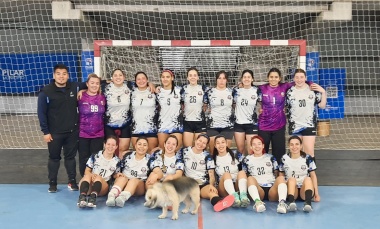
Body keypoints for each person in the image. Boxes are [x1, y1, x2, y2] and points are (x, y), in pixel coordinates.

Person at [37, 63, 85, 192]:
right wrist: (45, 132)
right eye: (58, 74)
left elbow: (92, 83)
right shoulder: (46, 92)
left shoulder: (74, 87)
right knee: (54, 158)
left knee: (70, 158)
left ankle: (72, 182)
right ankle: (52, 184)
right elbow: (41, 113)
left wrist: (83, 90)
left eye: (64, 74)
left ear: (68, 75)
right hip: (54, 133)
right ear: (54, 75)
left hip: (72, 132)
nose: (61, 76)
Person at [176, 134, 235, 212]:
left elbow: (211, 174)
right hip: (189, 183)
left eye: (204, 143)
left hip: (202, 184)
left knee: (211, 192)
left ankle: (219, 203)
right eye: (200, 141)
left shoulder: (207, 156)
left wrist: (211, 185)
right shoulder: (184, 151)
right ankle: (168, 203)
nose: (201, 144)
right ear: (195, 140)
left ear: (206, 146)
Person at [105, 137, 160, 207]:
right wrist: (117, 175)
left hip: (139, 185)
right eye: (139, 144)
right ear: (135, 146)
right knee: (122, 178)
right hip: (124, 183)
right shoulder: (127, 156)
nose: (142, 147)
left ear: (147, 147)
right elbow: (115, 173)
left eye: (144, 145)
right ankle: (111, 196)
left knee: (133, 180)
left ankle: (122, 198)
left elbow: (159, 172)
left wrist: (156, 176)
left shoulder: (150, 159)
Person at [286, 69, 327, 158]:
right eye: (297, 77)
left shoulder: (313, 90)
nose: (299, 79)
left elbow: (322, 106)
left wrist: (323, 92)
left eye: (301, 77)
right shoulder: (289, 92)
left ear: (305, 78)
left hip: (309, 125)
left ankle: (311, 172)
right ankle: (297, 172)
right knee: (296, 152)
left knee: (309, 153)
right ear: (294, 79)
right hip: (295, 126)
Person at [242, 136, 288, 214]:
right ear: (251, 147)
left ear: (263, 145)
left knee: (280, 178)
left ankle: (282, 203)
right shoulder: (247, 159)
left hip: (271, 189)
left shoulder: (271, 158)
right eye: (254, 144)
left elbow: (276, 173)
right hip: (259, 189)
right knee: (250, 178)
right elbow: (245, 175)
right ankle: (258, 203)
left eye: (259, 144)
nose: (257, 146)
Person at [279, 136, 320, 212]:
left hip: (304, 190)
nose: (294, 147)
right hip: (292, 190)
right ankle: (291, 202)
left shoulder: (308, 158)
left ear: (301, 146)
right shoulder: (284, 158)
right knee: (291, 179)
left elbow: (313, 176)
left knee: (308, 179)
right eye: (292, 144)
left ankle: (308, 203)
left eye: (297, 144)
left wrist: (317, 194)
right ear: (289, 146)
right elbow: (281, 176)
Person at [77, 136, 120, 208]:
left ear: (116, 147)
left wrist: (118, 175)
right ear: (104, 144)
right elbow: (87, 171)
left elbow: (114, 176)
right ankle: (82, 197)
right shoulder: (95, 156)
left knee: (98, 177)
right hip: (90, 183)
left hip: (103, 186)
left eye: (113, 145)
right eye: (108, 144)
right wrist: (91, 175)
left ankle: (92, 199)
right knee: (87, 176)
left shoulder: (117, 161)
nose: (110, 147)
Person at [77, 73, 106, 177]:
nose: (94, 85)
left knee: (96, 159)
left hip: (98, 134)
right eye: (92, 83)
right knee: (83, 158)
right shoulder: (80, 96)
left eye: (97, 83)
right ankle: (84, 179)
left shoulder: (103, 98)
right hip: (83, 134)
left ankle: (95, 179)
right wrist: (82, 90)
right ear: (87, 84)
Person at [212, 135, 250, 208]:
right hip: (223, 188)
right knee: (226, 174)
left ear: (226, 143)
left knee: (242, 172)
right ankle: (234, 197)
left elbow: (247, 167)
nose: (220, 145)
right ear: (215, 145)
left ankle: (243, 196)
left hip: (237, 185)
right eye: (218, 143)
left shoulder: (236, 154)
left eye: (223, 142)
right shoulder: (213, 159)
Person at [204, 70, 235, 154]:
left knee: (225, 152)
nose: (221, 80)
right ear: (216, 80)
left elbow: (236, 106)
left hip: (228, 125)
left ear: (227, 80)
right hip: (213, 125)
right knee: (213, 152)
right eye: (219, 78)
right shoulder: (210, 92)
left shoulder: (232, 92)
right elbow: (204, 106)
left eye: (224, 78)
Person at [130, 72, 159, 153]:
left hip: (151, 129)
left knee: (150, 154)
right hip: (136, 130)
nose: (141, 81)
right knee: (138, 154)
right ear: (135, 81)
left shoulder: (154, 91)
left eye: (143, 78)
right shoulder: (131, 92)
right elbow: (118, 82)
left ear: (147, 80)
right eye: (138, 79)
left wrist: (151, 84)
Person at [233, 70, 260, 154]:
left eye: (249, 77)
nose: (246, 79)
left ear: (252, 79)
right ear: (241, 79)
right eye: (244, 77)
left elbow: (262, 103)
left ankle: (251, 166)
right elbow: (232, 104)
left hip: (251, 124)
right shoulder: (236, 91)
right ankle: (242, 167)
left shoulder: (256, 91)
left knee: (251, 150)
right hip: (238, 123)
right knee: (240, 150)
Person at [181, 67, 209, 147]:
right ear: (187, 77)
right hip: (187, 121)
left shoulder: (204, 89)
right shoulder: (183, 89)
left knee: (200, 148)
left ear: (198, 77)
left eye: (194, 75)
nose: (192, 77)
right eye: (190, 75)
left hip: (200, 121)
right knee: (187, 149)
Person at [156, 70, 183, 151]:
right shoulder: (158, 91)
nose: (165, 79)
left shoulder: (180, 91)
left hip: (176, 126)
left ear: (172, 78)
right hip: (163, 125)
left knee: (175, 150)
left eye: (167, 77)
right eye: (163, 77)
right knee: (163, 150)